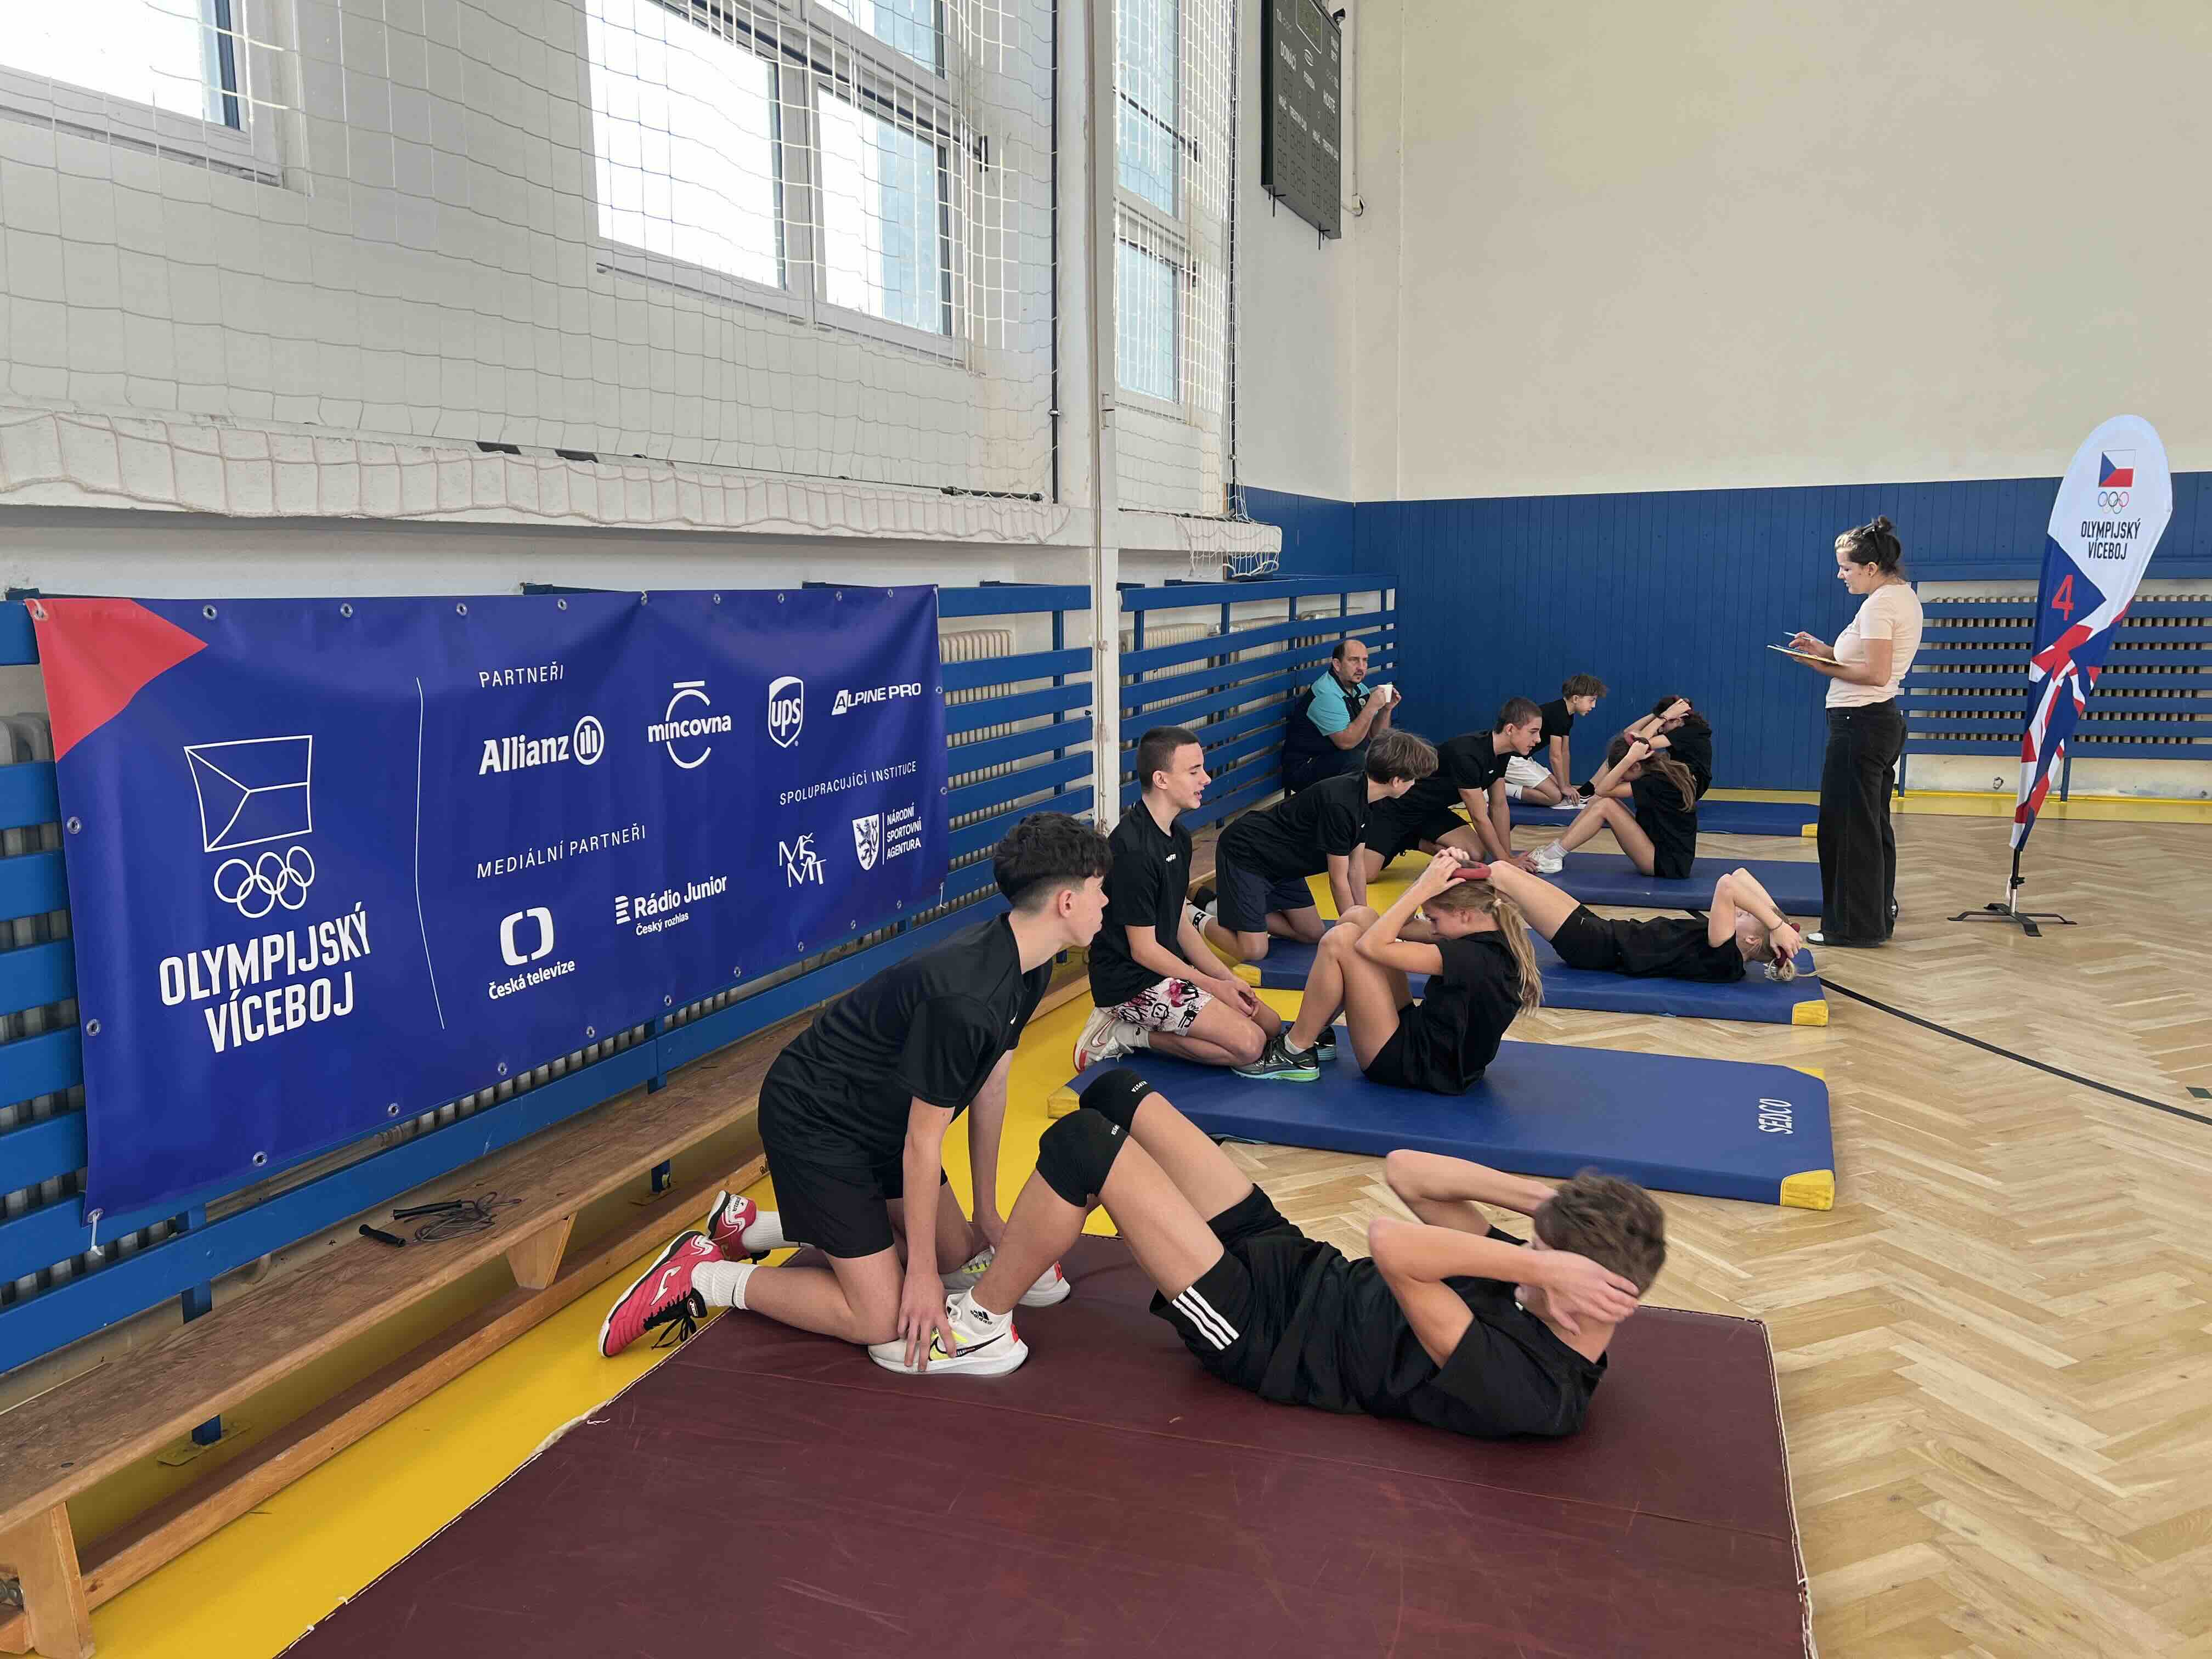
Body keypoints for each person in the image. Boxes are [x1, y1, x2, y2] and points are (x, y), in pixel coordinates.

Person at [884, 1069, 1663, 1449]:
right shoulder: (1544, 1286)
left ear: (1581, 1295)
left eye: (1542, 1257)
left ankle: (983, 1322)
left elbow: (1393, 1246)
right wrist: (1546, 1203)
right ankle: (1036, 1246)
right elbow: (1406, 1172)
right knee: (1117, 1094)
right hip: (1294, 1264)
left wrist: (1537, 1264)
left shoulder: (1532, 1389)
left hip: (1261, 1334)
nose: (1525, 1254)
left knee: (1086, 1146)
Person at [597, 812, 1114, 1376]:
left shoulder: (1028, 963)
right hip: (816, 1121)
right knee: (882, 1317)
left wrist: (987, 1212)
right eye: (1099, 890)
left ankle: (750, 1227)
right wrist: (919, 1275)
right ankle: (700, 1275)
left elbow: (991, 1087)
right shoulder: (967, 1001)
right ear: (1066, 902)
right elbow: (923, 1144)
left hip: (883, 1122)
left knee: (955, 1254)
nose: (1106, 902)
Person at [1238, 848, 1542, 1090]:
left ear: (1464, 914)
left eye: (1434, 919)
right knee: (1360, 916)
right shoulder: (1487, 929)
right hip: (1430, 1042)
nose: (1433, 929)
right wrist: (1427, 882)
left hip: (1420, 1066)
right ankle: (1316, 1033)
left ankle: (1294, 1052)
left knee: (1340, 941)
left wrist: (1423, 890)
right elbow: (1401, 927)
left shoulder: (1471, 958)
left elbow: (1370, 946)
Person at [1076, 725, 1285, 1072]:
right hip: (1130, 983)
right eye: (1194, 771)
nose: (1206, 778)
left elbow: (1178, 923)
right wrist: (1210, 985)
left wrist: (1226, 979)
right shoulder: (1134, 851)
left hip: (1167, 971)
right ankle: (1122, 1033)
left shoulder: (1179, 837)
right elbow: (1143, 950)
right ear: (1161, 779)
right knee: (1250, 1045)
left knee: (1271, 1025)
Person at [1784, 515, 1922, 947]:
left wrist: (1821, 666)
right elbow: (1869, 662)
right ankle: (1874, 919)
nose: (1840, 575)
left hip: (1859, 725)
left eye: (1846, 568)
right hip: (1875, 723)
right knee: (1870, 826)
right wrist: (1825, 651)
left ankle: (1852, 927)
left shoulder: (1880, 605)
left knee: (1846, 829)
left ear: (1871, 567)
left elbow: (1877, 674)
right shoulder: (1900, 596)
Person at [1200, 727, 1435, 970]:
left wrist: (1364, 921)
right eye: (1413, 779)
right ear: (1396, 781)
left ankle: (1223, 907)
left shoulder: (1369, 799)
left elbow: (1356, 868)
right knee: (1254, 951)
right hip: (1248, 854)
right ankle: (1194, 915)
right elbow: (1338, 880)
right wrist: (1356, 934)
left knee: (1312, 933)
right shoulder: (1341, 804)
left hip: (1284, 866)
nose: (1414, 784)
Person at [1483, 862, 1804, 980]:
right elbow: (1742, 875)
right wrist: (1780, 924)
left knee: (1500, 874)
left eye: (1744, 916)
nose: (1739, 911)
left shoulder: (1725, 956)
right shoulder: (1734, 947)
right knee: (1504, 876)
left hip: (1593, 946)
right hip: (1600, 929)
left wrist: (1776, 926)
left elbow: (1729, 884)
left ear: (1752, 940)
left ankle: (1453, 889)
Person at [1361, 698, 1547, 882]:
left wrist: (1508, 857)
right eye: (1533, 732)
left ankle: (1412, 840)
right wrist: (1505, 860)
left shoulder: (1502, 754)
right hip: (1396, 809)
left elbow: (1499, 805)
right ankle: (1399, 838)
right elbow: (1479, 817)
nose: (1538, 739)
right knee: (1367, 875)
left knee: (1475, 855)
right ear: (1510, 729)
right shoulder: (1468, 754)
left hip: (1431, 812)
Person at [1527, 696, 1711, 878]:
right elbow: (1629, 737)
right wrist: (1657, 717)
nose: (1621, 779)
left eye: (1623, 774)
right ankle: (1554, 850)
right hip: (1658, 848)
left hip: (1666, 864)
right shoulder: (1657, 772)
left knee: (1605, 805)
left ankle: (1553, 856)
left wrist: (1629, 758)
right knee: (1599, 801)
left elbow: (1602, 789)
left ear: (1636, 766)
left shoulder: (1657, 780)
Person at [1280, 636, 1398, 793]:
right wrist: (1371, 707)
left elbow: (1377, 737)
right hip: (1304, 768)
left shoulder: (1359, 688)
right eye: (1354, 660)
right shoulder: (1326, 693)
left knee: (1389, 752)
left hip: (1336, 760)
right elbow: (1346, 743)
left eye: (1365, 661)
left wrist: (1386, 709)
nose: (1361, 667)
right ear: (1337, 665)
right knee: (1358, 761)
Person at [1510, 674, 1607, 805]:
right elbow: (1555, 756)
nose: (1594, 705)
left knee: (1561, 789)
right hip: (1512, 760)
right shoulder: (1558, 715)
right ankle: (1502, 787)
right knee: (1555, 797)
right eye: (1592, 700)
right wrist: (1563, 788)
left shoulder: (1567, 715)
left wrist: (1566, 785)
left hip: (1524, 759)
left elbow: (1564, 752)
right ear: (1576, 699)